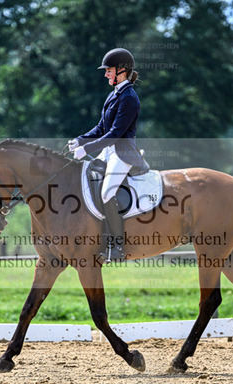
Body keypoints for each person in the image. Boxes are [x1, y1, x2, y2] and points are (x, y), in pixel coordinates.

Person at [69, 48, 144, 262]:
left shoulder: (129, 97)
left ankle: (117, 246)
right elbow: (102, 127)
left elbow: (115, 134)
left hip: (122, 153)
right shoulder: (114, 94)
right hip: (108, 151)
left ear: (122, 70)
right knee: (84, 182)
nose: (105, 74)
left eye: (108, 70)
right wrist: (81, 140)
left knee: (107, 193)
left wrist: (86, 150)